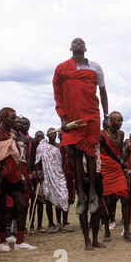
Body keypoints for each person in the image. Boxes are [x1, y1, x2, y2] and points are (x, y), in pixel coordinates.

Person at [53, 37, 109, 215]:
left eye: (81, 42)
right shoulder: (61, 69)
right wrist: (62, 118)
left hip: (91, 115)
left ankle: (92, 193)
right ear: (70, 48)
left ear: (86, 48)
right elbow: (58, 95)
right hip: (71, 119)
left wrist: (106, 115)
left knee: (91, 155)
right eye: (75, 42)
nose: (78, 43)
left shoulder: (95, 67)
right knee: (75, 157)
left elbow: (103, 91)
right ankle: (81, 195)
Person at [0, 107, 36, 251]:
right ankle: (2, 241)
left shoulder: (13, 134)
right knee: (1, 208)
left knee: (22, 205)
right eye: (12, 118)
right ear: (2, 118)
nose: (15, 120)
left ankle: (19, 241)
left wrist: (21, 176)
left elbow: (17, 157)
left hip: (14, 174)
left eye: (15, 117)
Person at [99, 111, 131, 242]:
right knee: (107, 202)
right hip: (105, 169)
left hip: (117, 168)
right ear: (110, 121)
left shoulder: (121, 134)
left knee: (125, 198)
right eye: (117, 121)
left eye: (121, 121)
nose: (120, 124)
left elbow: (120, 152)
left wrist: (124, 166)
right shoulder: (101, 134)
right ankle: (107, 231)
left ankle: (126, 231)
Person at [35, 128, 71, 232]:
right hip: (47, 175)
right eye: (50, 134)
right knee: (49, 199)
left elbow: (63, 161)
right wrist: (40, 173)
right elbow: (39, 160)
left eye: (54, 133)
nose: (53, 135)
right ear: (47, 135)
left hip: (59, 175)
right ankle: (51, 224)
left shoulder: (60, 146)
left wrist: (63, 174)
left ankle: (64, 223)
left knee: (64, 197)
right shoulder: (43, 147)